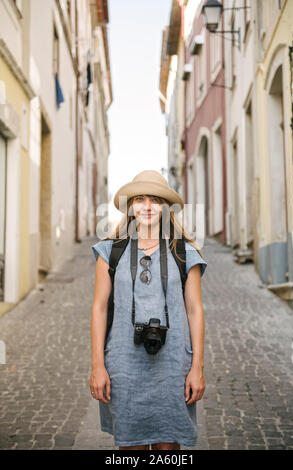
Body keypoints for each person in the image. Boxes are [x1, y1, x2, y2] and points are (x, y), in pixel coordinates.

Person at [90, 170, 207, 450]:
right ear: (130, 206)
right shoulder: (110, 251)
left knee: (168, 447)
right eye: (139, 199)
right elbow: (98, 308)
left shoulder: (184, 251)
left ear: (166, 207)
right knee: (131, 446)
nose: (147, 206)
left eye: (155, 199)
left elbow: (195, 310)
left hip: (173, 364)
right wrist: (97, 366)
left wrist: (197, 368)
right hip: (123, 365)